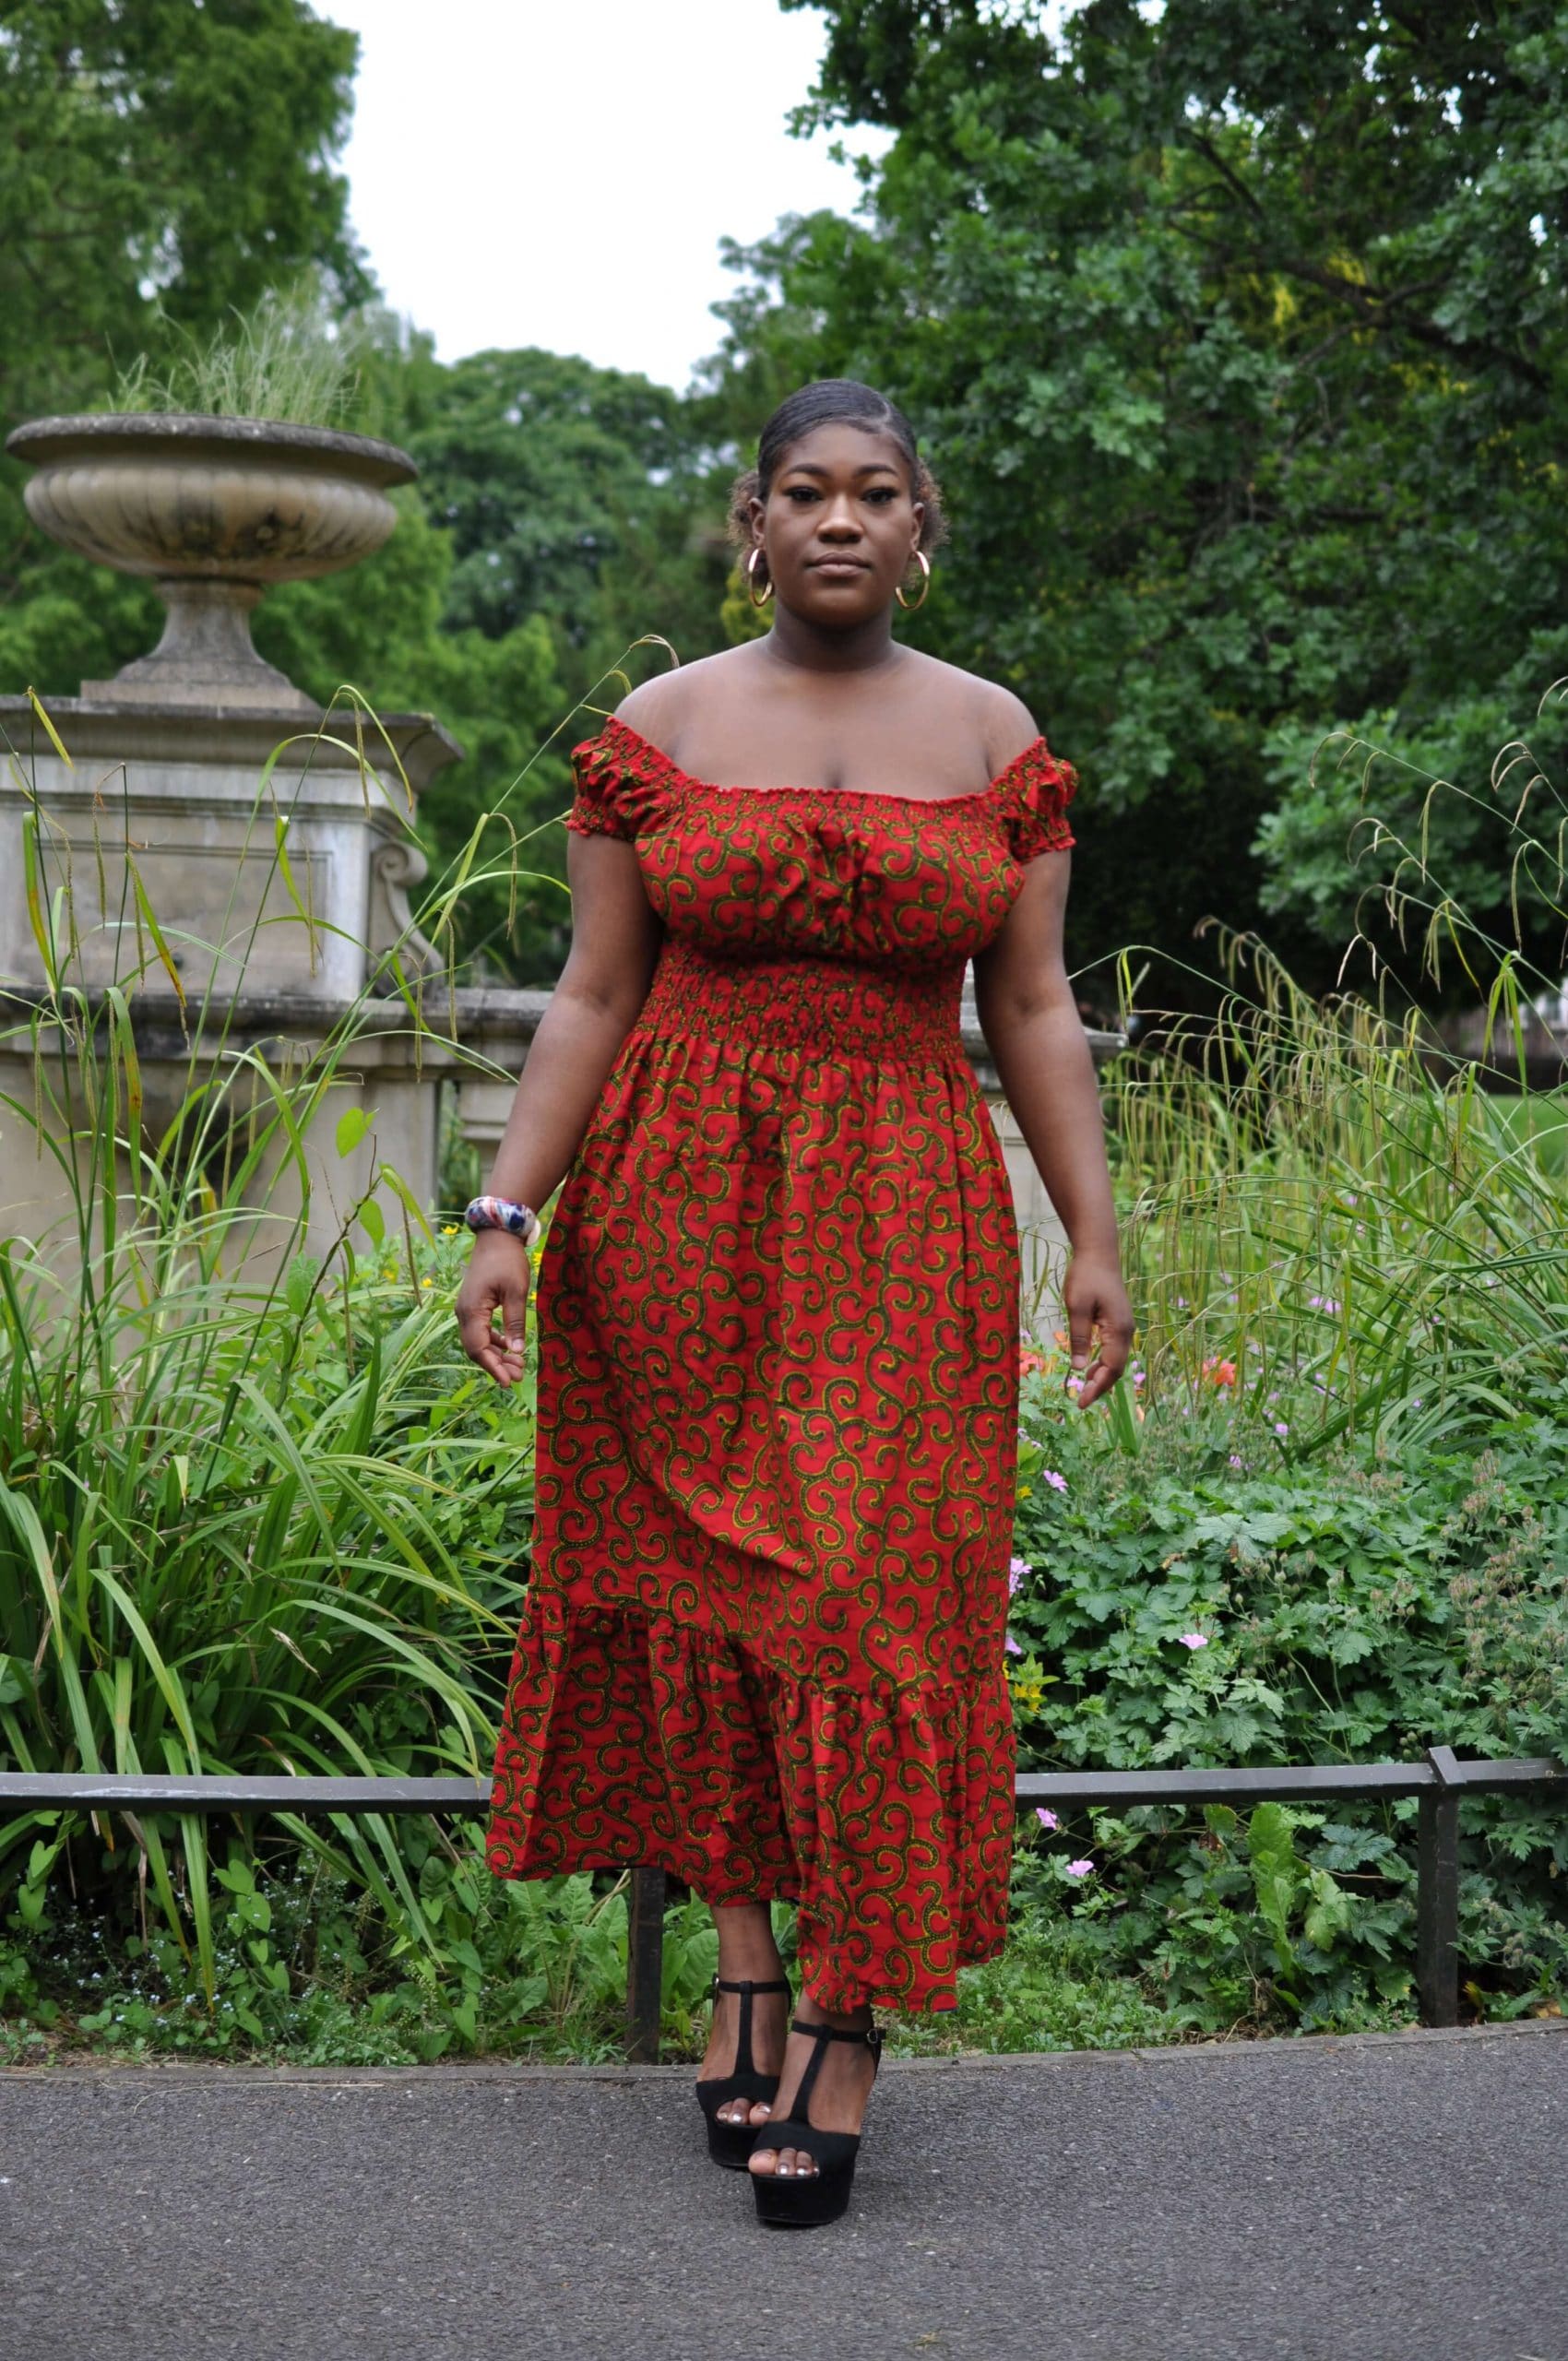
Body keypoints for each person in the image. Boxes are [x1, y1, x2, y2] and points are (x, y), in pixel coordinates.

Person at [457, 378, 1134, 2229]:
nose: (840, 521)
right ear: (746, 523)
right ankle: (741, 1956)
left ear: (924, 528)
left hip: (905, 1209)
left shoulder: (999, 742)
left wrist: (1090, 1231)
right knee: (699, 1583)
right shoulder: (656, 735)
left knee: (873, 1589)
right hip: (672, 1208)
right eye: (804, 493)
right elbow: (591, 995)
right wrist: (509, 1205)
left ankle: (848, 2007)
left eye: (878, 493)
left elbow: (1036, 1010)